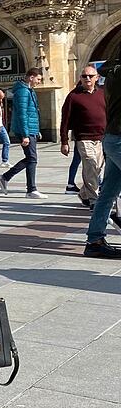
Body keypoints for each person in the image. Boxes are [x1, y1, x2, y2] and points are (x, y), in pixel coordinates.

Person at [84, 56, 121, 259]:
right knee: (108, 193)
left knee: (108, 193)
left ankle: (95, 241)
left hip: (112, 138)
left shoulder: (112, 73)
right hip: (119, 139)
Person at [60, 67, 105, 208]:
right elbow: (65, 120)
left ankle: (84, 193)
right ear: (80, 78)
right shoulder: (74, 96)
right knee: (90, 165)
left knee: (97, 168)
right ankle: (94, 200)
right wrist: (64, 141)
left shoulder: (103, 94)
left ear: (97, 77)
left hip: (101, 138)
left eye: (90, 76)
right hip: (83, 137)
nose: (87, 78)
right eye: (84, 76)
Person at [0, 68, 44, 199]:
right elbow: (22, 114)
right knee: (32, 158)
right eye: (38, 79)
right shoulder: (23, 91)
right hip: (26, 130)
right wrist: (25, 135)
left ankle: (26, 187)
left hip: (30, 129)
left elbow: (32, 112)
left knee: (31, 159)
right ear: (31, 77)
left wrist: (36, 130)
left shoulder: (28, 90)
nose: (39, 82)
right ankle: (27, 187)